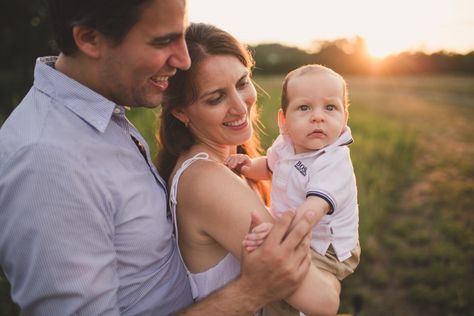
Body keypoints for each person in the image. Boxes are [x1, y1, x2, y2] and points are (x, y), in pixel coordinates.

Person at [0, 1, 317, 315]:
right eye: (162, 41)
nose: (182, 59)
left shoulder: (102, 115)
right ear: (89, 39)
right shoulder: (46, 160)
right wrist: (252, 291)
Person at [157, 23, 340, 316]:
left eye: (242, 83)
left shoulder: (233, 163)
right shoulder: (208, 180)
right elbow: (322, 302)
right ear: (180, 112)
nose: (240, 107)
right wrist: (337, 269)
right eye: (216, 98)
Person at [225, 64, 361, 313]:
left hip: (327, 247)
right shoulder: (286, 146)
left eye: (330, 107)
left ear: (344, 119)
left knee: (280, 285)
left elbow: (312, 211)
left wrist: (278, 232)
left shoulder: (333, 161)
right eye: (304, 107)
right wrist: (246, 166)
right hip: (300, 233)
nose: (318, 116)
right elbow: (269, 167)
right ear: (284, 120)